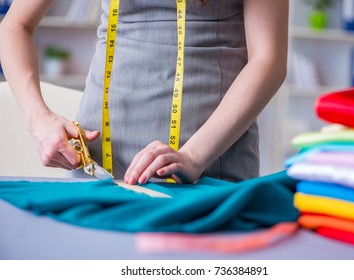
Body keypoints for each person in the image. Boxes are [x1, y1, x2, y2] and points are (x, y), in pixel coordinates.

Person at [0, 0, 288, 184]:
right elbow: (14, 26)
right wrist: (38, 119)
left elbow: (268, 60)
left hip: (212, 155)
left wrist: (193, 156)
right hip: (101, 157)